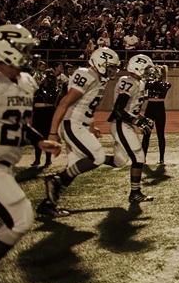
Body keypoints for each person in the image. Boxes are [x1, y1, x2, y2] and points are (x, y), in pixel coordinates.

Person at [0, 25, 63, 275]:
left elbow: (17, 122)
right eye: (23, 48)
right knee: (20, 219)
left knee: (19, 220)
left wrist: (39, 141)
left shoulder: (26, 81)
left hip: (2, 166)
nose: (28, 53)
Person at [37, 47, 122, 217]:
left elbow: (85, 105)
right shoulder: (86, 74)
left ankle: (47, 205)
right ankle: (55, 180)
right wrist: (52, 133)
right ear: (100, 62)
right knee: (96, 157)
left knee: (74, 167)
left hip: (79, 124)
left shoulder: (98, 78)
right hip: (72, 124)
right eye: (110, 66)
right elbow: (64, 103)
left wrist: (91, 126)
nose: (112, 70)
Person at [106, 53, 157, 203]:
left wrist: (141, 118)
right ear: (138, 67)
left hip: (125, 123)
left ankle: (91, 157)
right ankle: (135, 193)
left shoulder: (137, 82)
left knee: (119, 161)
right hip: (121, 124)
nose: (149, 71)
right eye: (146, 68)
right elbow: (118, 110)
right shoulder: (128, 82)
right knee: (139, 157)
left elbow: (130, 109)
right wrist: (137, 121)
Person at [142, 64, 170, 165]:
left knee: (160, 134)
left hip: (159, 108)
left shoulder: (166, 84)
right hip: (150, 108)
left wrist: (158, 80)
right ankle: (143, 157)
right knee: (146, 134)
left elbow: (162, 90)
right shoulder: (150, 83)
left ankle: (161, 158)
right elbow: (147, 86)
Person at [30, 62, 58, 168]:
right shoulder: (38, 89)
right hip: (39, 113)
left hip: (47, 113)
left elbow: (51, 100)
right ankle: (37, 159)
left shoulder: (53, 89)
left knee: (46, 137)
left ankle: (48, 159)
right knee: (38, 137)